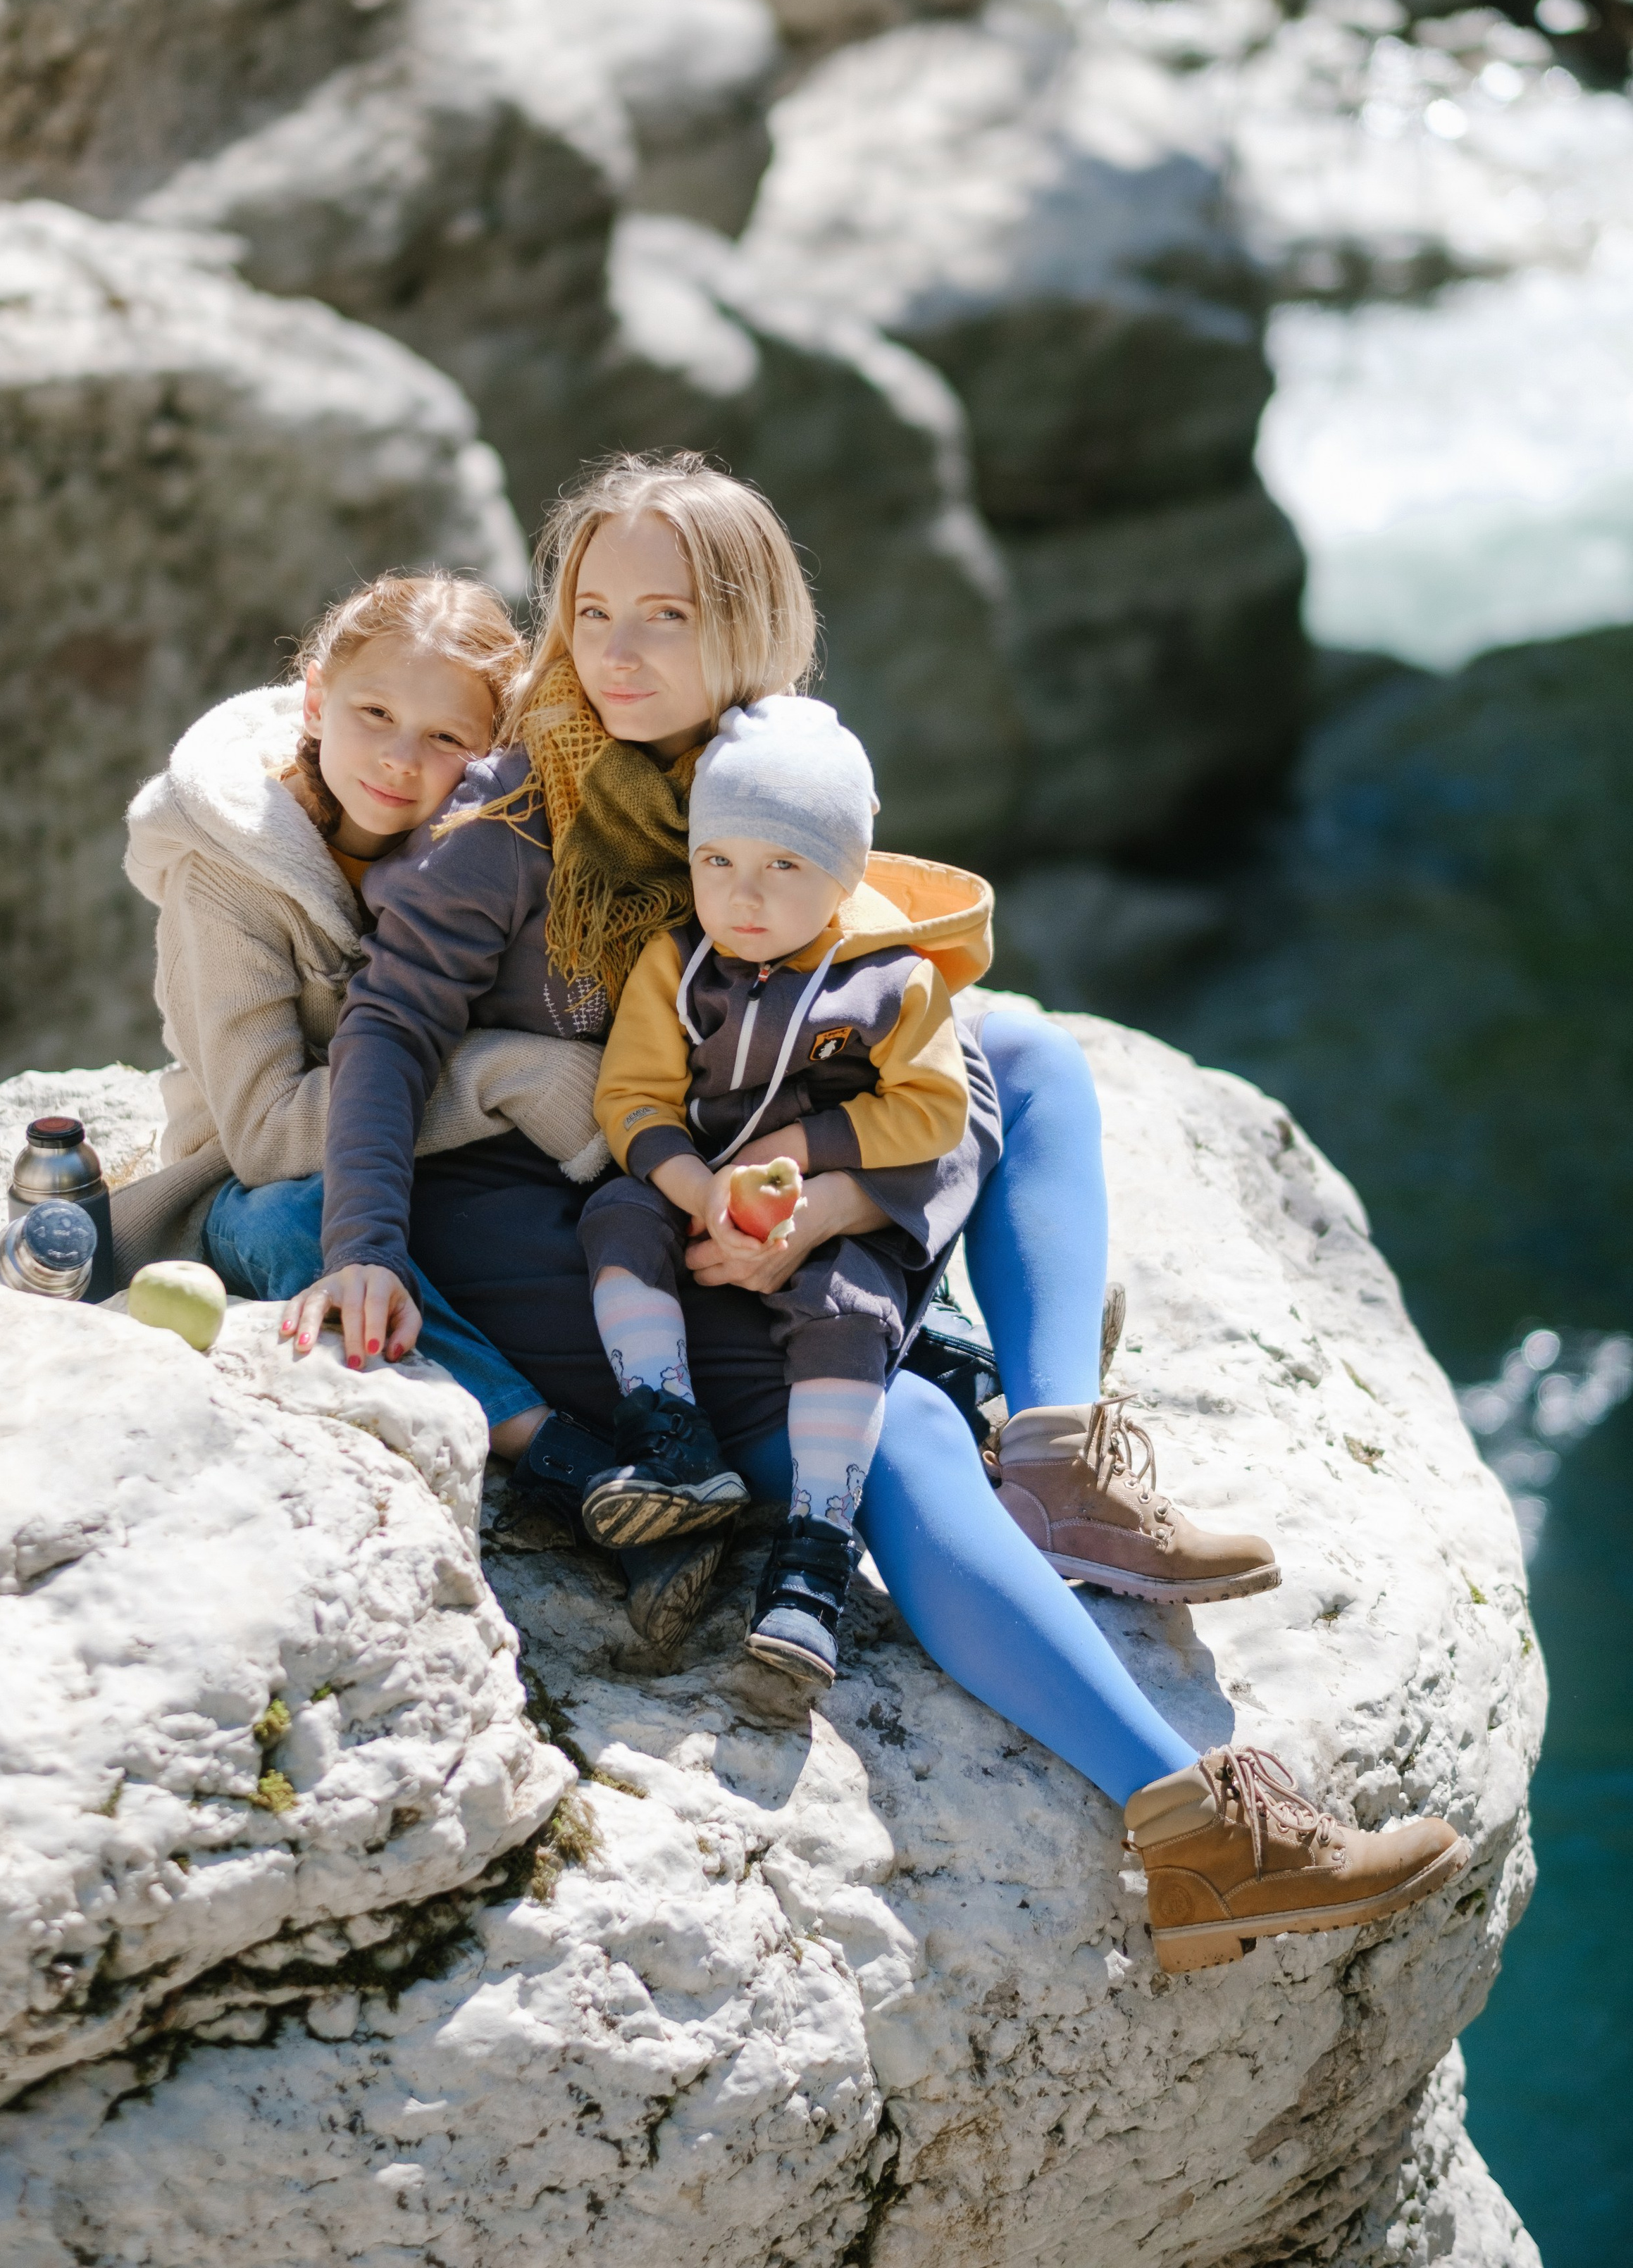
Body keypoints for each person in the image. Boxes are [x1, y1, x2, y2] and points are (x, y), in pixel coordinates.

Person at [278, 454, 1471, 1974]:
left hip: (749, 1187)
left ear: (752, 633)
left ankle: (1050, 1459)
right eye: (590, 612)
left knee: (1024, 1052)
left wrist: (827, 1197)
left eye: (668, 615)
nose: (621, 652)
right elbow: (383, 1034)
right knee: (895, 1427)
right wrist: (362, 1247)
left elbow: (919, 1041)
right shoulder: (513, 820)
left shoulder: (774, 788)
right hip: (565, 1231)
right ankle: (1194, 1833)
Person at [581, 692, 995, 1686]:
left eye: (784, 867)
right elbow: (631, 1094)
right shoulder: (677, 963)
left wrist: (802, 1149)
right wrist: (692, 1185)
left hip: (843, 1196)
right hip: (706, 1184)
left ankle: (816, 1551)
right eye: (718, 862)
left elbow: (932, 1113)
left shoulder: (895, 982)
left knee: (846, 1302)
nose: (743, 898)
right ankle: (666, 1424)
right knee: (615, 1214)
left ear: (844, 874)